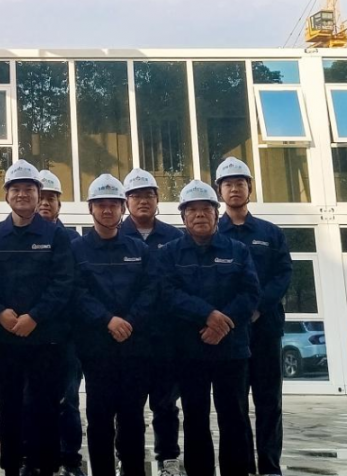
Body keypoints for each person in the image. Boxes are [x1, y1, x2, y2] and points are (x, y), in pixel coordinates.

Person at [0, 160, 74, 476]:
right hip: (5, 339)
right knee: (10, 408)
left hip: (46, 339)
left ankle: (44, 467)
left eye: (29, 189)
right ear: (6, 195)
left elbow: (63, 282)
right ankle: (12, 466)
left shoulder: (56, 235)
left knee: (45, 407)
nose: (22, 194)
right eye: (16, 189)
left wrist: (35, 316)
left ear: (38, 194)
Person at [161, 180, 260, 476]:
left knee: (234, 417)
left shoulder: (238, 250)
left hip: (232, 349)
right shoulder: (170, 253)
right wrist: (207, 315)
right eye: (192, 210)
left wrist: (222, 323)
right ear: (183, 217)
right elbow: (168, 294)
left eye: (206, 209)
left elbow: (250, 293)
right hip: (190, 350)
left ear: (217, 214)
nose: (199, 215)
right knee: (195, 418)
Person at [72, 175, 160, 476]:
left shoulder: (139, 250)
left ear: (123, 208)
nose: (107, 210)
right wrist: (107, 320)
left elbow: (151, 290)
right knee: (99, 419)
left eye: (113, 204)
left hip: (135, 347)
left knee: (133, 417)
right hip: (96, 349)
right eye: (101, 205)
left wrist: (129, 321)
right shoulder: (77, 250)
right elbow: (76, 293)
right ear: (90, 208)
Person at [215, 158, 292, 476]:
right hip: (230, 333)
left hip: (265, 328)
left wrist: (257, 307)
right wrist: (234, 314)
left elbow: (283, 274)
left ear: (249, 189)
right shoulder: (213, 233)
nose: (234, 189)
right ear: (219, 192)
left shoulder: (269, 233)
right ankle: (243, 466)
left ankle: (270, 467)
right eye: (228, 184)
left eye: (240, 183)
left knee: (268, 400)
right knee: (233, 404)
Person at [119, 168, 184, 476]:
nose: (142, 201)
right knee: (128, 406)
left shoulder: (174, 237)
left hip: (166, 338)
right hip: (128, 337)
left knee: (166, 404)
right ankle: (128, 460)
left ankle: (168, 459)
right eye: (135, 196)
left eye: (148, 195)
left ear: (158, 200)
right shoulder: (116, 236)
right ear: (126, 202)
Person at [36, 169, 85, 476]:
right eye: (41, 197)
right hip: (31, 334)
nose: (45, 203)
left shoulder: (74, 241)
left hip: (67, 336)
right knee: (33, 401)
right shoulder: (22, 237)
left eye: (51, 198)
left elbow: (75, 287)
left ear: (59, 204)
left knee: (68, 400)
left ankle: (70, 459)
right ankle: (37, 459)